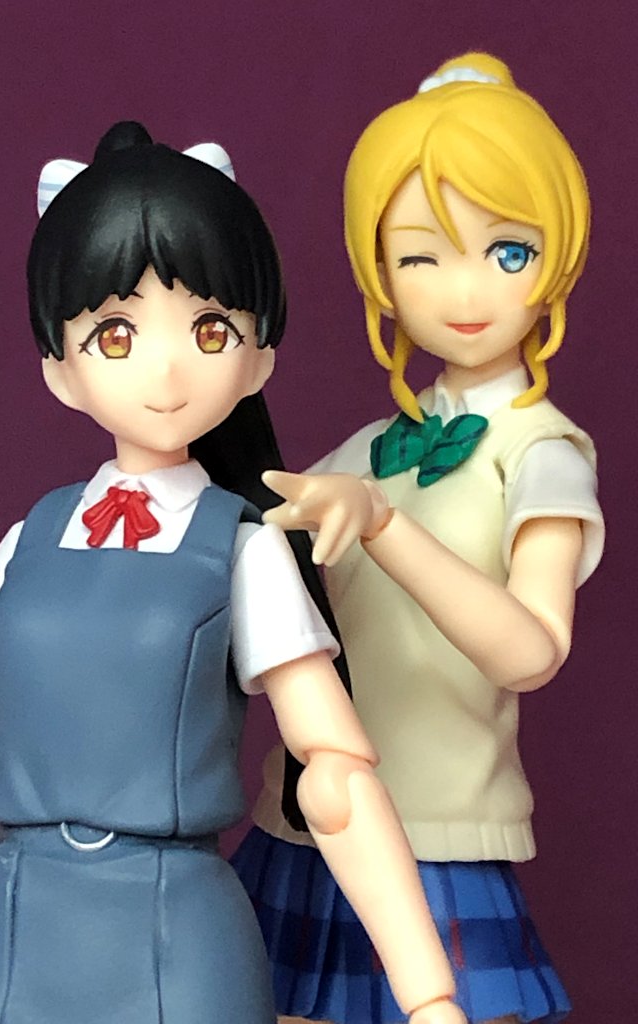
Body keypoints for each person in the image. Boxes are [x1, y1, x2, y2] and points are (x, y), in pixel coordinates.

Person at [0, 122, 465, 1024]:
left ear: (258, 357)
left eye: (210, 328)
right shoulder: (30, 539)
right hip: (10, 925)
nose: (167, 366)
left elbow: (336, 781)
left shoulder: (244, 550)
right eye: (114, 334)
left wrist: (428, 994)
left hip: (173, 935)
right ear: (59, 369)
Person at [231, 53, 603, 1024]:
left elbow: (531, 649)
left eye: (507, 251)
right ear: (380, 275)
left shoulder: (540, 453)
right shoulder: (363, 452)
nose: (463, 289)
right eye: (420, 257)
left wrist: (388, 527)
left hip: (439, 822)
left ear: (558, 254)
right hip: (309, 812)